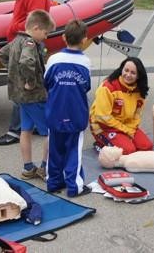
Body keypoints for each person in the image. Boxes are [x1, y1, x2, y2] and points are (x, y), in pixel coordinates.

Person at [0, 0, 51, 146]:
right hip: (22, 41)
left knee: (23, 89)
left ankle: (16, 130)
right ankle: (26, 126)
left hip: (26, 43)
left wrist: (12, 28)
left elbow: (33, 24)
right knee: (26, 90)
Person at [0, 10, 55, 180]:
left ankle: (28, 167)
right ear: (36, 28)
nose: (46, 37)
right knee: (49, 132)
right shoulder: (29, 43)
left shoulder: (16, 40)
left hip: (19, 97)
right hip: (34, 96)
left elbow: (1, 54)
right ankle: (45, 167)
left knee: (26, 130)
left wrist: (13, 73)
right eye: (45, 33)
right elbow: (26, 62)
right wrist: (29, 81)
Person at [44, 19, 92, 197]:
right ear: (84, 40)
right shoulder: (85, 62)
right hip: (76, 113)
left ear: (64, 37)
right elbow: (85, 86)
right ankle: (74, 186)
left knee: (54, 149)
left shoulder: (53, 59)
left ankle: (54, 182)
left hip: (55, 112)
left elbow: (47, 82)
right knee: (74, 150)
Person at [90, 57, 153, 155]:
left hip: (125, 125)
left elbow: (137, 115)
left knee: (146, 146)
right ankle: (100, 144)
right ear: (121, 70)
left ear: (138, 76)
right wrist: (126, 130)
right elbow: (102, 117)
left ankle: (122, 139)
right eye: (126, 70)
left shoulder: (140, 91)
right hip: (103, 126)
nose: (128, 75)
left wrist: (130, 129)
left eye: (133, 73)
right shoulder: (108, 87)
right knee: (127, 150)